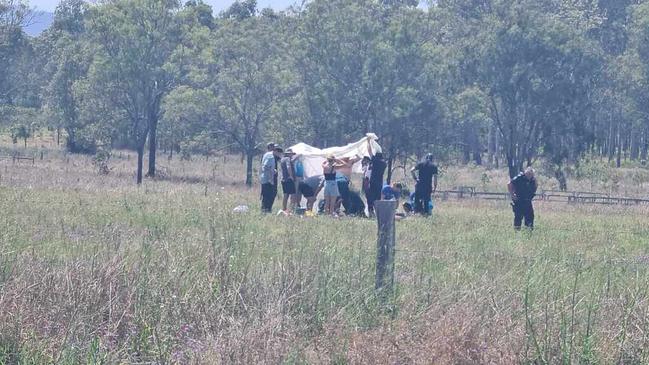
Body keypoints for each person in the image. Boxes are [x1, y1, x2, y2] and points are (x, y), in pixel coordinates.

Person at [367, 141, 386, 217]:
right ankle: (378, 211)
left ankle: (371, 211)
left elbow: (369, 151)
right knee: (377, 197)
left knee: (371, 196)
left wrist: (368, 142)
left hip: (373, 181)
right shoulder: (384, 163)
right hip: (380, 182)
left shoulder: (375, 161)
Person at [260, 144, 281, 213]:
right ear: (275, 151)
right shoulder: (271, 157)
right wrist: (270, 179)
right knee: (270, 195)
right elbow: (266, 166)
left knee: (267, 195)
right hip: (268, 180)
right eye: (278, 152)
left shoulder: (267, 154)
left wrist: (273, 170)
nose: (279, 154)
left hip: (264, 178)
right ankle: (267, 210)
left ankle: (265, 210)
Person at [280, 148, 297, 212]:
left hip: (284, 180)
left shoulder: (282, 159)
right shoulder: (287, 159)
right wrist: (291, 176)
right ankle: (291, 210)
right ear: (288, 154)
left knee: (285, 195)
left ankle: (284, 209)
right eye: (291, 154)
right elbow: (288, 167)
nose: (292, 155)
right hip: (289, 180)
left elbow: (291, 161)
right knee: (293, 195)